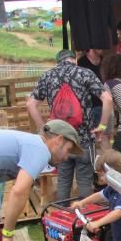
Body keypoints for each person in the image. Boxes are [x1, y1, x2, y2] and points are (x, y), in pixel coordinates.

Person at [27, 49, 113, 201]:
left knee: (63, 181)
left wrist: (44, 130)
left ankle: (62, 219)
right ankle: (85, 219)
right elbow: (107, 99)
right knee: (85, 181)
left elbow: (30, 104)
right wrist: (101, 127)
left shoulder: (48, 76)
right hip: (84, 140)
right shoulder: (84, 73)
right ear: (75, 59)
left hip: (59, 140)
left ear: (58, 62)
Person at [72, 149, 121, 241]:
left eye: (102, 174)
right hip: (119, 235)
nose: (100, 177)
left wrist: (97, 223)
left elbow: (118, 212)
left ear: (114, 172)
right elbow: (99, 195)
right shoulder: (113, 188)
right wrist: (82, 202)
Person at [78, 48, 105, 128]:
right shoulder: (81, 62)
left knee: (103, 136)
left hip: (104, 105)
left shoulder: (104, 61)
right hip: (89, 107)